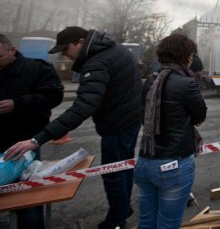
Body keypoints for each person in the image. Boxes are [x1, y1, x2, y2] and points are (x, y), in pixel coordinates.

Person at [5, 27, 143, 229]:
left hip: (117, 125)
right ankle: (122, 209)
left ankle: (117, 219)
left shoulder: (96, 63)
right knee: (123, 168)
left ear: (80, 41)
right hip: (130, 119)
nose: (64, 55)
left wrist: (37, 140)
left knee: (113, 173)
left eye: (65, 49)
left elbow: (82, 108)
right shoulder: (114, 49)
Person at [135, 33, 207, 229]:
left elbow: (144, 116)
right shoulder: (187, 83)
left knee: (146, 222)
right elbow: (200, 114)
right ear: (187, 57)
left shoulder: (151, 80)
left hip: (144, 162)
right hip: (174, 164)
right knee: (168, 224)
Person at [0, 34, 64, 229]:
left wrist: (17, 104)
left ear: (12, 50)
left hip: (25, 142)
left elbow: (54, 95)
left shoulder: (37, 68)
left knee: (27, 194)